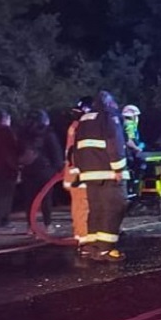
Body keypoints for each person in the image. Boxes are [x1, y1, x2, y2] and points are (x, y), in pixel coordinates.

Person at [69, 91, 129, 262]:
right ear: (109, 103)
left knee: (96, 209)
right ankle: (106, 249)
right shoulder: (109, 117)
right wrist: (119, 168)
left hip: (88, 174)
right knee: (114, 208)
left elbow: (75, 148)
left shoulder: (84, 120)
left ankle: (91, 246)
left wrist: (80, 170)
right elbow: (114, 143)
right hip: (108, 172)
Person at [17, 110, 63, 229]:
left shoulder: (23, 134)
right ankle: (48, 224)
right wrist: (59, 168)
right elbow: (55, 152)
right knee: (46, 198)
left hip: (28, 170)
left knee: (29, 199)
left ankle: (31, 226)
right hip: (45, 171)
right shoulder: (48, 133)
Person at [63, 96, 94, 253]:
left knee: (82, 206)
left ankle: (84, 237)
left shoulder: (75, 126)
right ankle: (84, 240)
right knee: (82, 207)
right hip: (79, 175)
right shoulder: (81, 127)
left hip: (76, 174)